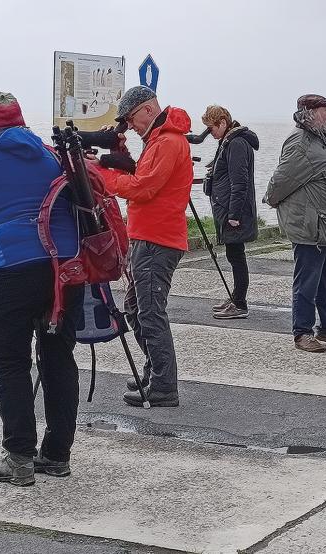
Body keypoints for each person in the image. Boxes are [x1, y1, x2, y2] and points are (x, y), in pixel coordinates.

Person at [0, 92, 81, 486]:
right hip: (64, 270)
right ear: (21, 121)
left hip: (12, 271)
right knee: (58, 359)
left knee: (10, 363)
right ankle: (57, 456)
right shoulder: (50, 155)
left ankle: (18, 458)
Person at [93, 85, 194, 407]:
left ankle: (164, 386)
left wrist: (101, 175)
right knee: (137, 310)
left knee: (149, 312)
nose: (131, 126)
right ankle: (155, 372)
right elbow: (143, 176)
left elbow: (143, 188)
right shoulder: (162, 139)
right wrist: (117, 156)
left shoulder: (167, 141)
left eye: (131, 119)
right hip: (152, 236)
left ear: (148, 110)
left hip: (157, 239)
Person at [265, 94, 326, 353]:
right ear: (309, 112)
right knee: (308, 281)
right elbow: (280, 182)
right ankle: (302, 331)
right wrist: (271, 200)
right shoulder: (300, 143)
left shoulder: (322, 140)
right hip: (310, 228)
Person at [200, 104, 260, 320]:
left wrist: (234, 215)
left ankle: (240, 303)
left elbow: (239, 182)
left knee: (237, 257)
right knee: (234, 256)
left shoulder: (236, 144)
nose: (210, 133)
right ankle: (236, 297)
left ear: (223, 123)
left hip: (235, 212)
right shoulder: (229, 142)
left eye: (211, 128)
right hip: (228, 208)